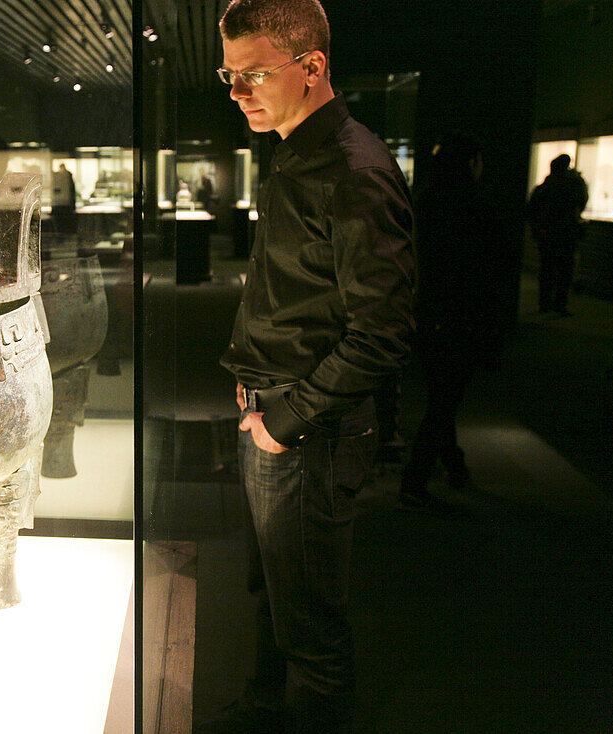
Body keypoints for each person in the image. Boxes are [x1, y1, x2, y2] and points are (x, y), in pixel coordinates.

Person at [212, 1, 415, 731]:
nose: (238, 93)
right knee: (275, 592)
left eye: (254, 75)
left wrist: (286, 423)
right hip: (276, 411)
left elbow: (384, 331)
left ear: (313, 67)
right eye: (229, 76)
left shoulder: (352, 168)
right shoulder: (300, 151)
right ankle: (265, 710)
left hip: (306, 428)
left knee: (311, 624)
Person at [399, 132, 503, 512]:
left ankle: (453, 465)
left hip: (427, 312)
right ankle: (415, 480)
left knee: (442, 396)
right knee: (444, 402)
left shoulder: (426, 200)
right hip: (461, 316)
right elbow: (486, 272)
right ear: (471, 164)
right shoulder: (474, 206)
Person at [528, 154, 588, 316]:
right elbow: (582, 201)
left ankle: (544, 304)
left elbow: (532, 210)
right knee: (564, 271)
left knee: (547, 269)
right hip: (566, 234)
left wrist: (538, 229)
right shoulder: (573, 186)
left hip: (546, 235)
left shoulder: (543, 188)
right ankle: (560, 305)